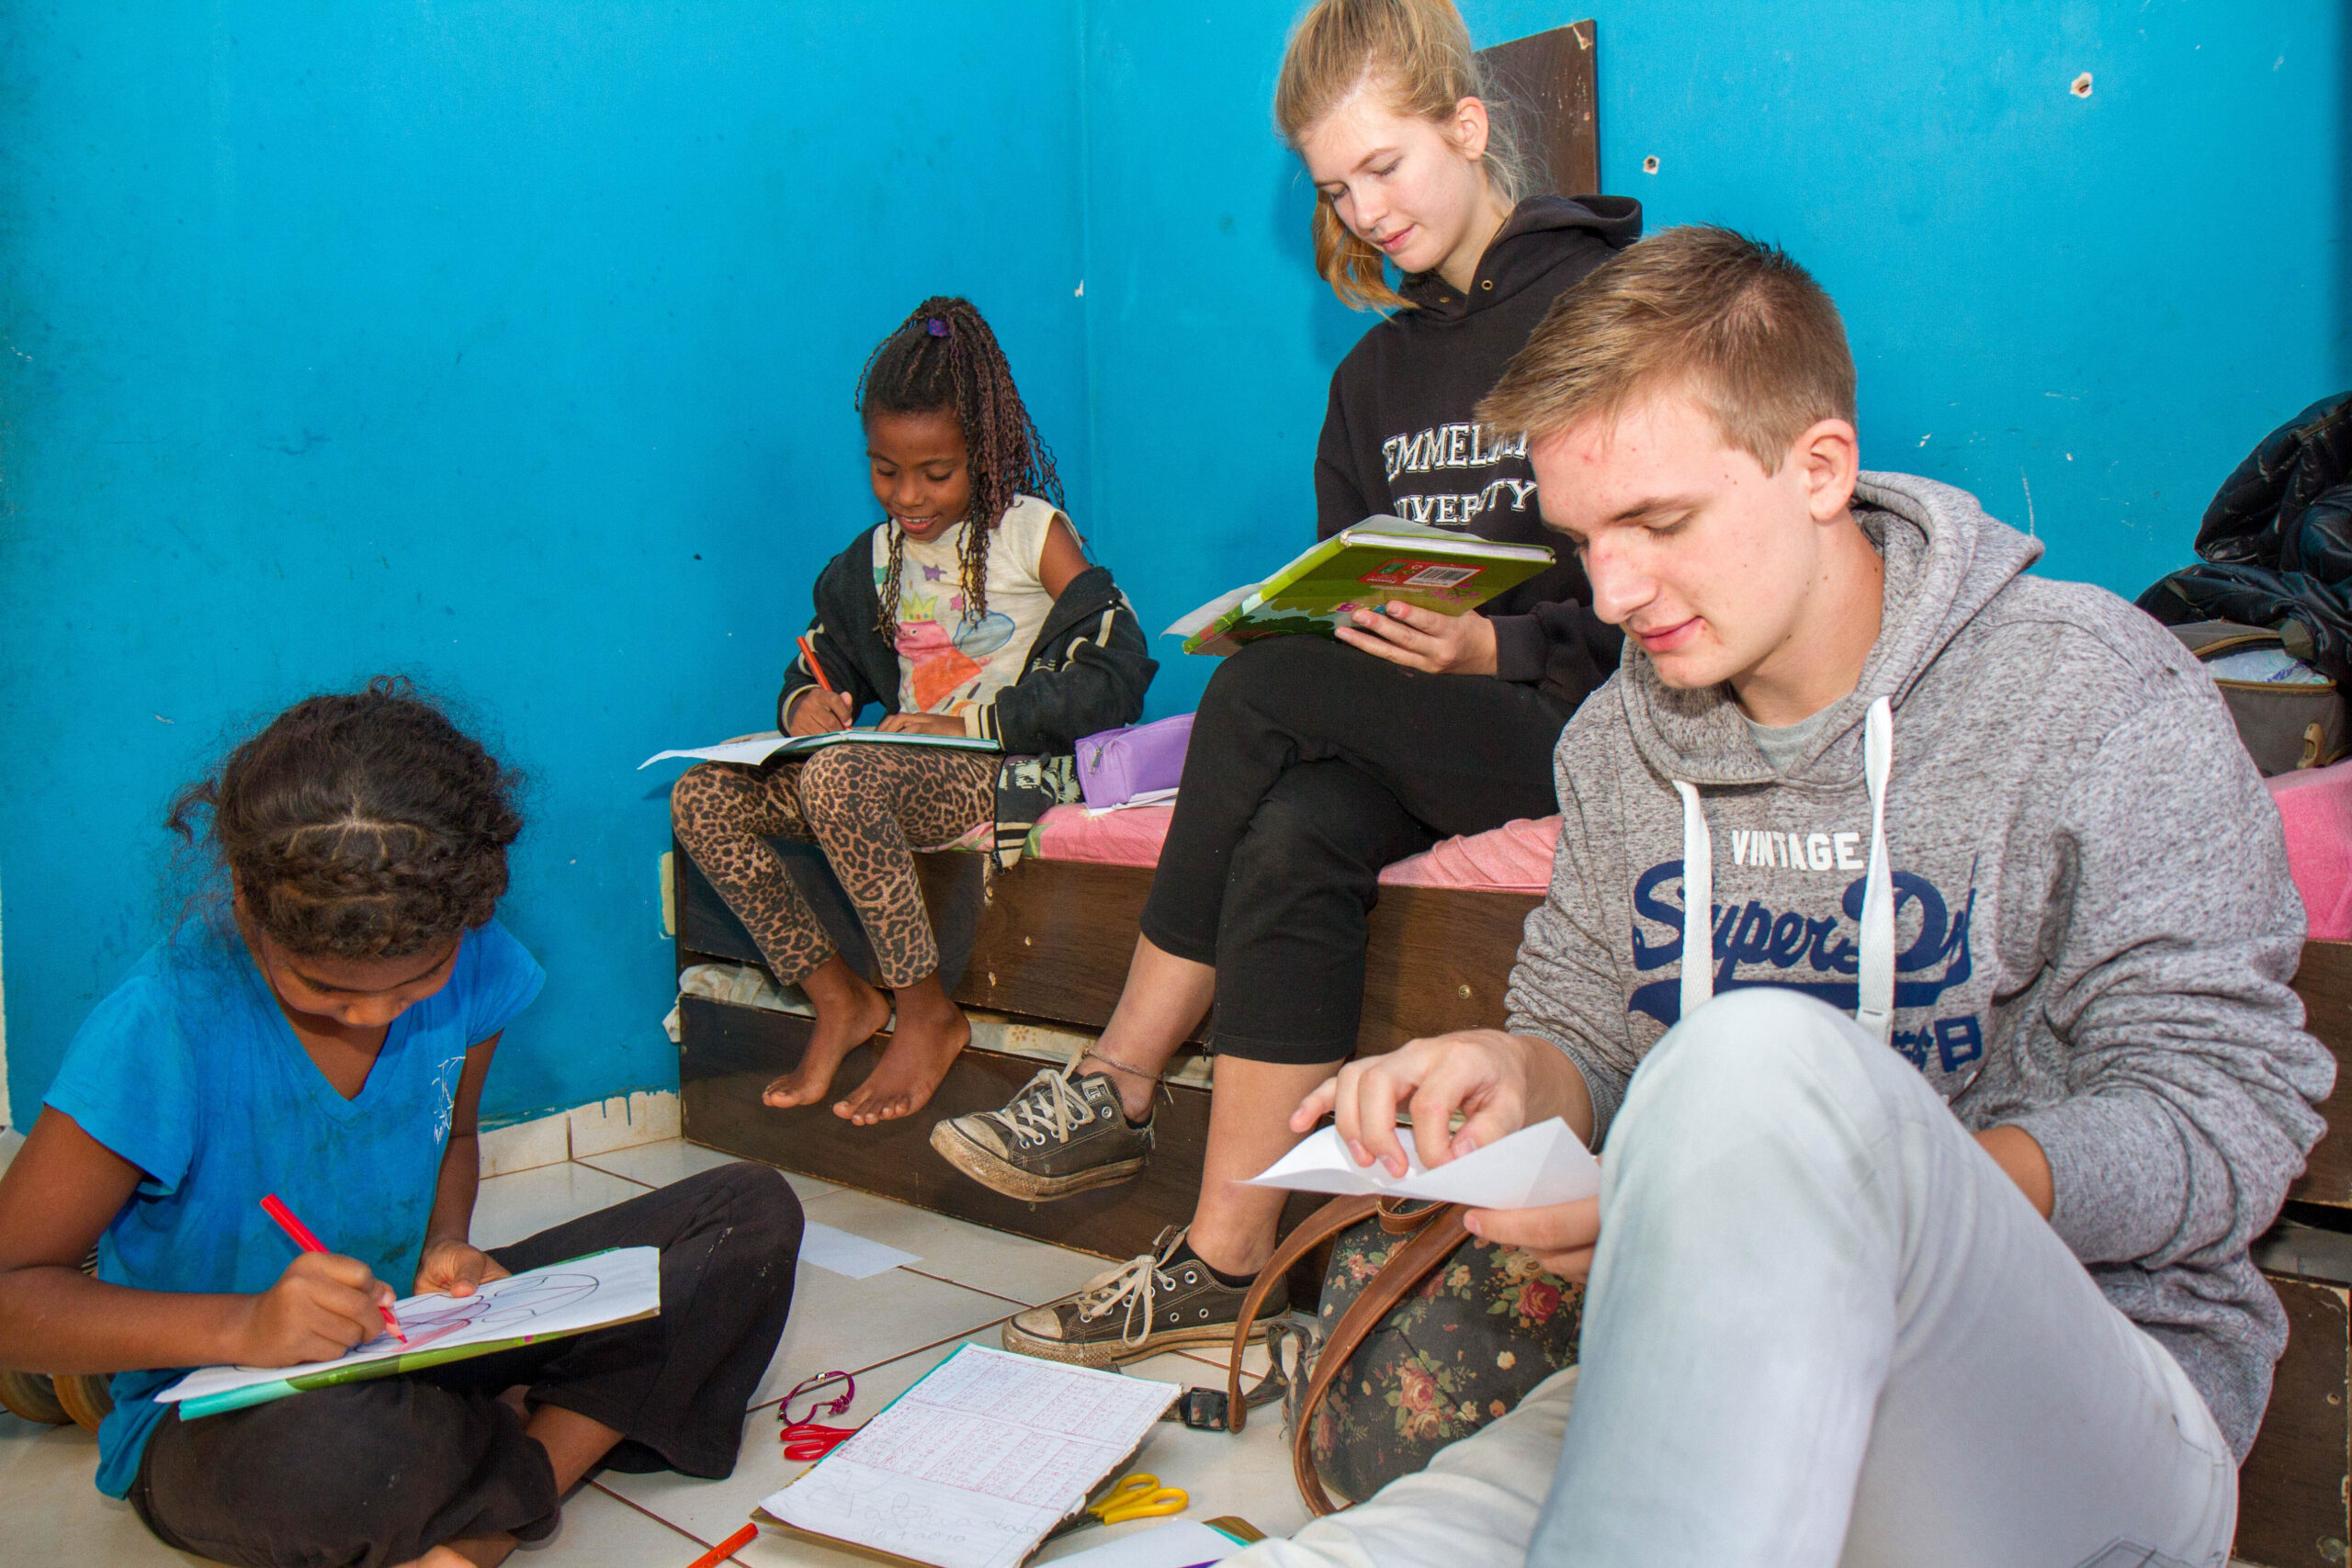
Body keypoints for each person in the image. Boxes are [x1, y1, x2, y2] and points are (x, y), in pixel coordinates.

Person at [1236, 227, 2331, 1566]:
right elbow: (1586, 1030)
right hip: (1707, 1364)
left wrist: (1861, 1210)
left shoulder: (2096, 696)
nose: (1616, 592)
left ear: (1820, 466)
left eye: (1660, 521)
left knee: (1750, 1057)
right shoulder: (1617, 740)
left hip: (2082, 1409)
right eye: (1584, 540)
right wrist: (1513, 1069)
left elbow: (2227, 1109)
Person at [929, 0, 1637, 1365]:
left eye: (1386, 167)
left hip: (1575, 717)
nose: (1364, 209)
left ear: (1468, 126)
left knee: (1253, 705)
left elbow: (1673, 585)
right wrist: (1336, 620)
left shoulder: (1601, 312)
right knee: (1299, 822)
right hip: (1424, 726)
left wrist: (1497, 643)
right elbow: (1357, 581)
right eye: (1333, 187)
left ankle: (1119, 1077)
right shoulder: (1370, 378)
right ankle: (1228, 1257)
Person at [0, 679, 804, 1568]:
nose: (374, 1017)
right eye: (328, 991)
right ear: (244, 901)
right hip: (219, 1401)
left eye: (413, 984)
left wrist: (447, 1245)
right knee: (342, 1458)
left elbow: (453, 1137)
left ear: (466, 919)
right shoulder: (160, 1028)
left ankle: (482, 1500)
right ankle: (523, 1467)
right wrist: (243, 1330)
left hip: (394, 1340)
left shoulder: (476, 963)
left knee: (747, 1215)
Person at [669, 295, 1154, 1126]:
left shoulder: (1027, 532)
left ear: (987, 450)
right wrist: (805, 705)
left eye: (936, 472)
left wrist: (970, 724)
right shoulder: (872, 562)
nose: (908, 495)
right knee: (702, 799)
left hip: (1001, 772)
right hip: (892, 775)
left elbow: (1117, 660)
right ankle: (840, 998)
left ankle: (925, 1009)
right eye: (885, 469)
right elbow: (817, 658)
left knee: (841, 781)